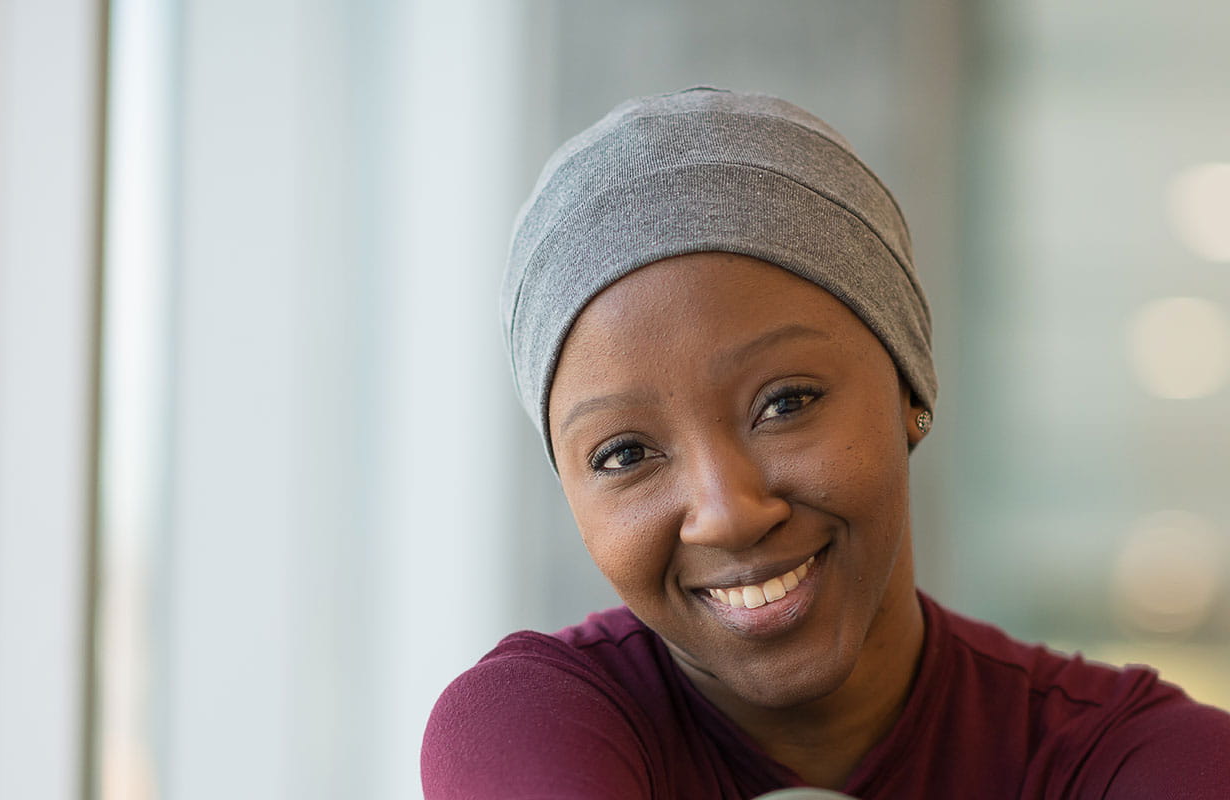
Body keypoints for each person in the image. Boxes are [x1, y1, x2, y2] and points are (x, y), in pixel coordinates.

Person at [420, 87, 1230, 799]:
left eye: (785, 403)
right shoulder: (524, 729)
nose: (727, 514)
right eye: (624, 455)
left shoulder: (1143, 761)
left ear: (910, 386)